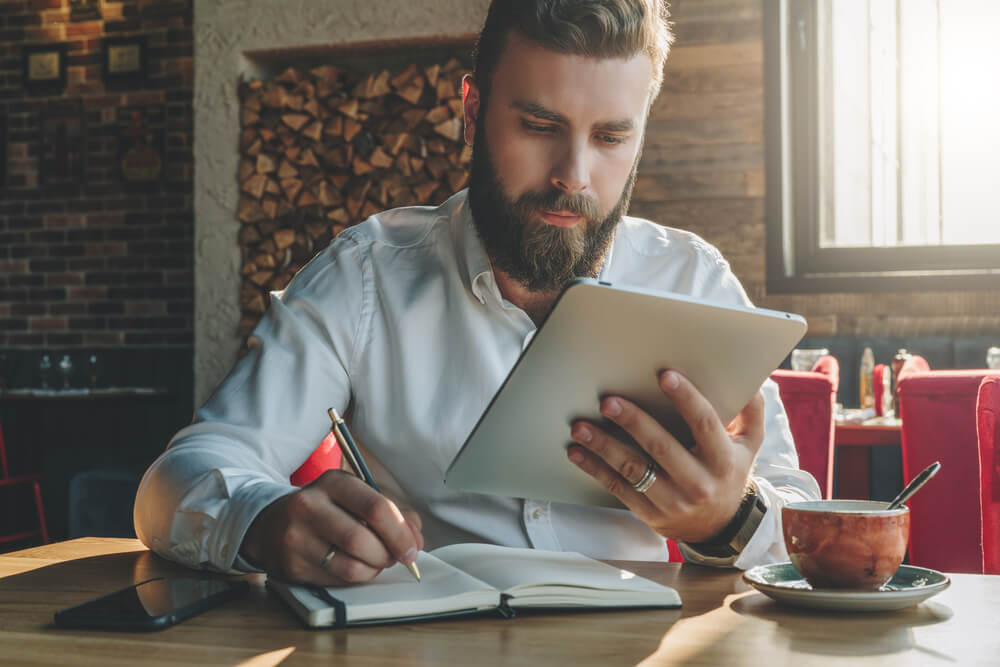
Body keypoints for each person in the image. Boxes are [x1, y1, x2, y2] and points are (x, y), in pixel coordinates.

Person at [134, 0, 820, 586]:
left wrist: (729, 518)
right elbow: (178, 479)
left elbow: (805, 526)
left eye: (611, 136)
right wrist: (260, 521)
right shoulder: (365, 277)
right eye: (539, 126)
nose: (574, 175)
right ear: (471, 110)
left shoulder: (693, 281)